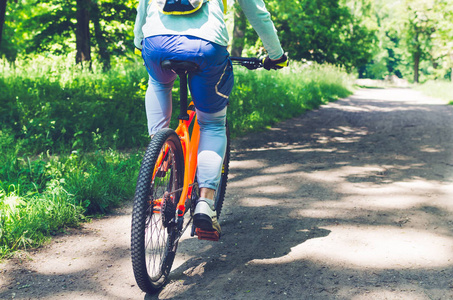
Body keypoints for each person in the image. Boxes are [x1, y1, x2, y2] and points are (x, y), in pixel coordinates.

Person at [134, 0, 288, 238]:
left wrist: (138, 42)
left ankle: (160, 150)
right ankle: (205, 204)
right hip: (206, 46)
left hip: (156, 41)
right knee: (212, 123)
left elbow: (144, 4)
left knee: (158, 82)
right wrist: (276, 55)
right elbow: (258, 13)